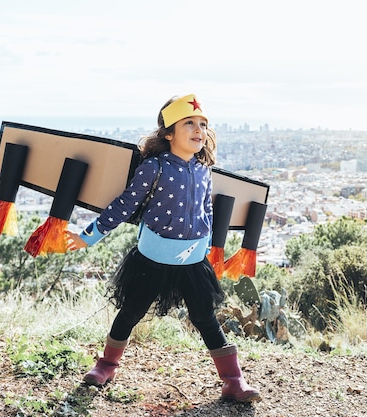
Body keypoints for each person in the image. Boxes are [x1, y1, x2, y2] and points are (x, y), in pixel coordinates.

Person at [66, 94, 261, 403]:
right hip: (152, 259)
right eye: (189, 123)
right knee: (131, 311)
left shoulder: (203, 170)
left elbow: (206, 214)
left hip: (193, 262)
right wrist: (89, 236)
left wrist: (212, 250)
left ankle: (234, 381)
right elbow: (125, 205)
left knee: (205, 317)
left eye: (203, 124)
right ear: (168, 133)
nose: (199, 130)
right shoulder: (154, 168)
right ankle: (106, 365)